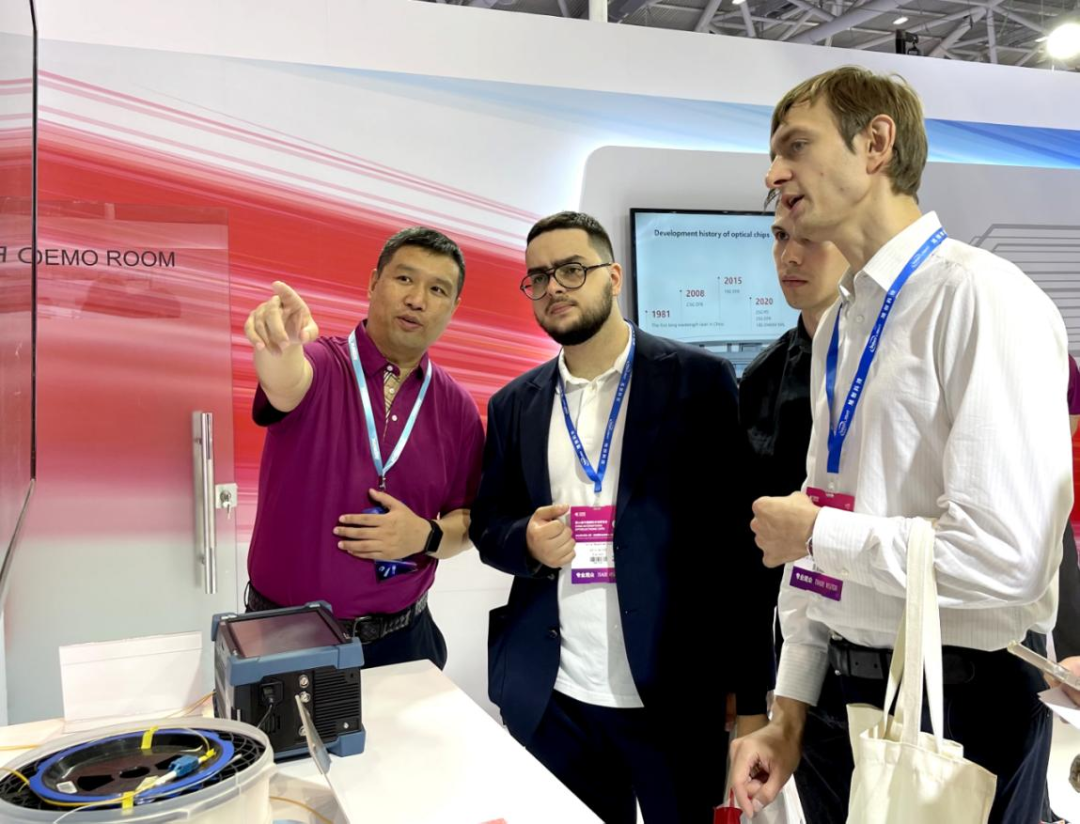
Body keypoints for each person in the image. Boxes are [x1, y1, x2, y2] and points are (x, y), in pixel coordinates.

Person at [729, 67, 1072, 824]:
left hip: (958, 706)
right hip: (835, 710)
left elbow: (1007, 559)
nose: (773, 173)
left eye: (795, 145)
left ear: (876, 143)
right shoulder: (840, 325)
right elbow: (817, 520)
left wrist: (820, 533)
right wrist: (790, 709)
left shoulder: (984, 299)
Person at [470, 211, 773, 823]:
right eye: (538, 277)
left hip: (673, 695)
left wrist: (750, 698)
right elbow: (487, 524)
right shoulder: (514, 405)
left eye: (571, 270)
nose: (553, 287)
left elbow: (737, 550)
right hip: (556, 698)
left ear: (613, 277)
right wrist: (526, 541)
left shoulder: (697, 381)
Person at [243, 226, 484, 669]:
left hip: (404, 642)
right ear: (374, 282)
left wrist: (425, 535)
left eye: (437, 290)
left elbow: (468, 519)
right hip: (290, 639)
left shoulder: (457, 408)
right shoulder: (323, 364)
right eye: (405, 278)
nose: (417, 300)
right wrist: (280, 344)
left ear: (453, 307)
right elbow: (285, 378)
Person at [738, 199, 848, 824]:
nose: (790, 255)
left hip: (910, 643)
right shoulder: (762, 377)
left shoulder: (906, 360)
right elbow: (748, 553)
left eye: (810, 237)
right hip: (803, 653)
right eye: (780, 236)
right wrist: (753, 692)